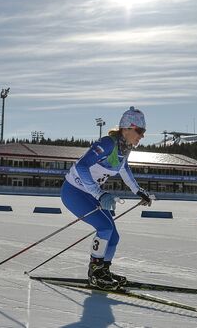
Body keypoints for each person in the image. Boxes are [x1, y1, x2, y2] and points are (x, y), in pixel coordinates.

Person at [61, 106, 153, 290]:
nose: (142, 136)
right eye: (140, 131)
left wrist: (138, 191)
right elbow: (81, 167)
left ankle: (104, 271)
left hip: (90, 193)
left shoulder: (124, 148)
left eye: (144, 132)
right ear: (127, 128)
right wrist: (100, 194)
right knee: (104, 227)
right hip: (74, 192)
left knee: (113, 235)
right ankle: (95, 273)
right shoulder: (108, 143)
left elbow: (124, 169)